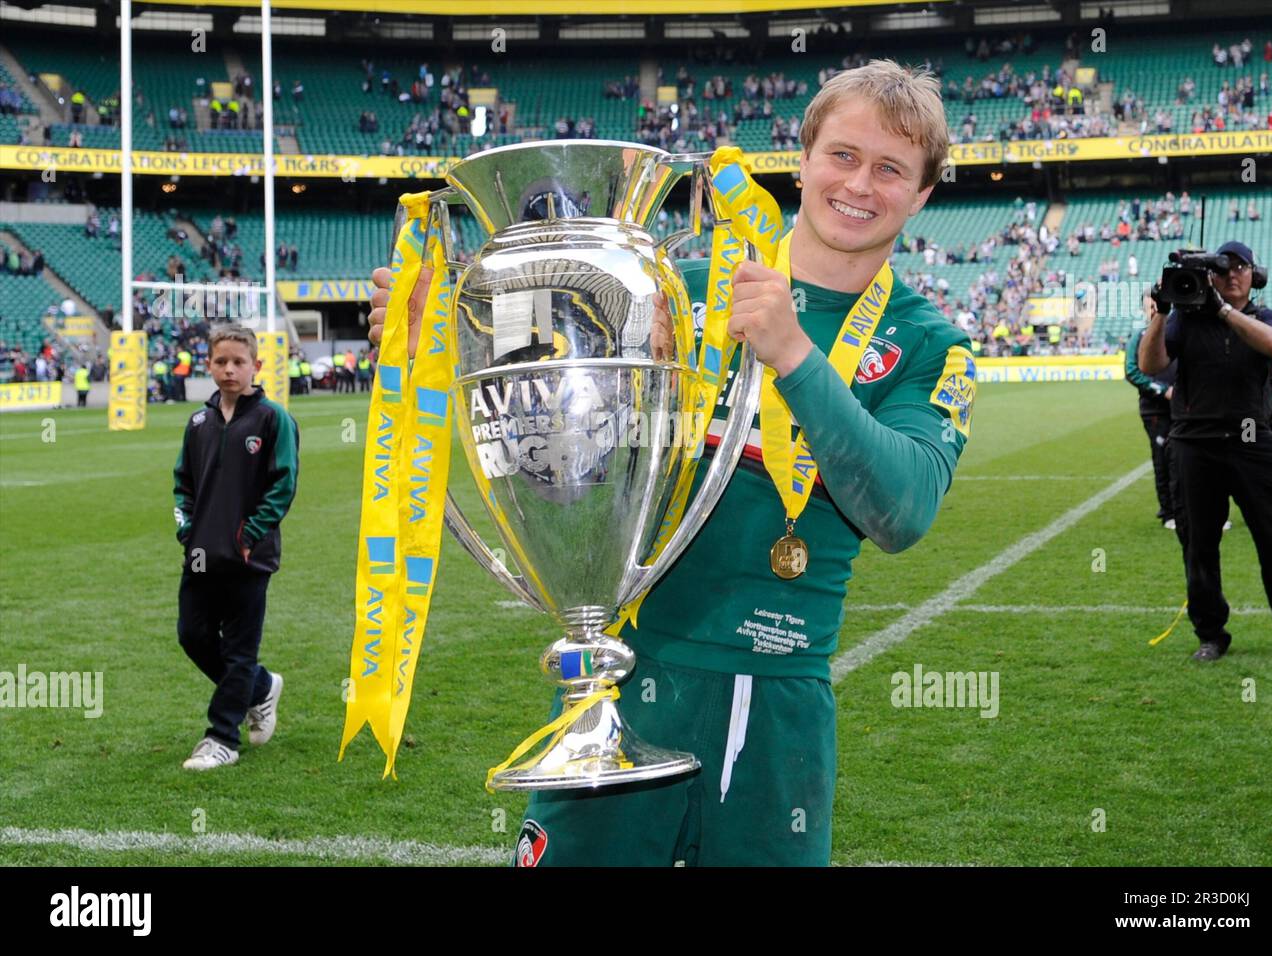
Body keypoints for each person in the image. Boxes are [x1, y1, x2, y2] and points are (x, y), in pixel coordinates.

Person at [366, 60, 975, 865]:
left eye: (892, 169)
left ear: (923, 193)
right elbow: (541, 373)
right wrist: (438, 331)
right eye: (843, 155)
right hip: (623, 684)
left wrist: (793, 353)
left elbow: (902, 510)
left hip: (778, 703)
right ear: (803, 158)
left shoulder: (933, 344)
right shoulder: (674, 289)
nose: (860, 184)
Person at [1139, 241, 1272, 660]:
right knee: (1199, 545)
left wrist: (1222, 311)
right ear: (1210, 274)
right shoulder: (1185, 321)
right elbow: (1150, 366)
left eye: (1240, 267)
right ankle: (1211, 635)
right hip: (1194, 444)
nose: (1232, 275)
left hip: (1253, 443)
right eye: (1223, 268)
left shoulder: (1263, 316)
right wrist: (1160, 316)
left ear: (1254, 275)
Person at [172, 325, 300, 769]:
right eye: (221, 361)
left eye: (238, 362)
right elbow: (182, 483)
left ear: (256, 367)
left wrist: (249, 535)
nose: (229, 369)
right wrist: (187, 528)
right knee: (193, 635)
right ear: (209, 365)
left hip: (250, 556)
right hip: (202, 554)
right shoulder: (198, 422)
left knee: (240, 648)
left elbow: (283, 486)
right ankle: (261, 688)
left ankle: (221, 738)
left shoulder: (273, 419)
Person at [1124, 310, 1178, 528]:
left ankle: (1200, 511)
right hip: (1155, 410)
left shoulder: (1179, 332)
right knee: (1163, 459)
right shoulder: (1139, 337)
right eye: (1152, 305)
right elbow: (1131, 371)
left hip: (1187, 408)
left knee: (1194, 458)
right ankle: (1169, 512)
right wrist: (1161, 390)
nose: (1157, 309)